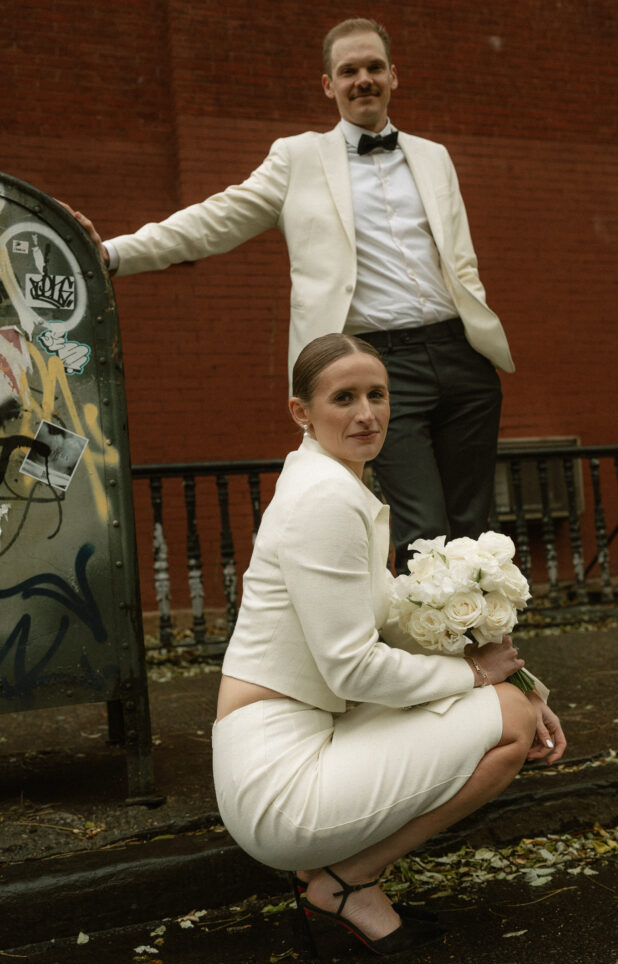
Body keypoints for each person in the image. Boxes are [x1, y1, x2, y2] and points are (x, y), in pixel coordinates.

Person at [66, 17, 514, 573]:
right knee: (424, 533)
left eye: (374, 67)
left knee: (478, 532)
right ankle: (434, 660)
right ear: (329, 85)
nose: (363, 79)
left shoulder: (434, 156)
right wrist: (112, 254)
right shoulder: (297, 159)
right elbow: (213, 221)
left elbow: (459, 258)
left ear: (394, 76)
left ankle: (490, 659)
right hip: (379, 368)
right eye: (348, 71)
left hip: (462, 358)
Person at [212, 333, 566, 956]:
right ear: (302, 412)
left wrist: (520, 680)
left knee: (513, 704)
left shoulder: (334, 483)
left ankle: (334, 877)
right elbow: (352, 667)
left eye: (376, 395)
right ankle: (346, 883)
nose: (366, 413)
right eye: (343, 398)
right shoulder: (324, 499)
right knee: (509, 726)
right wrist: (482, 681)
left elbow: (394, 626)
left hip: (310, 730)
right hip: (277, 781)